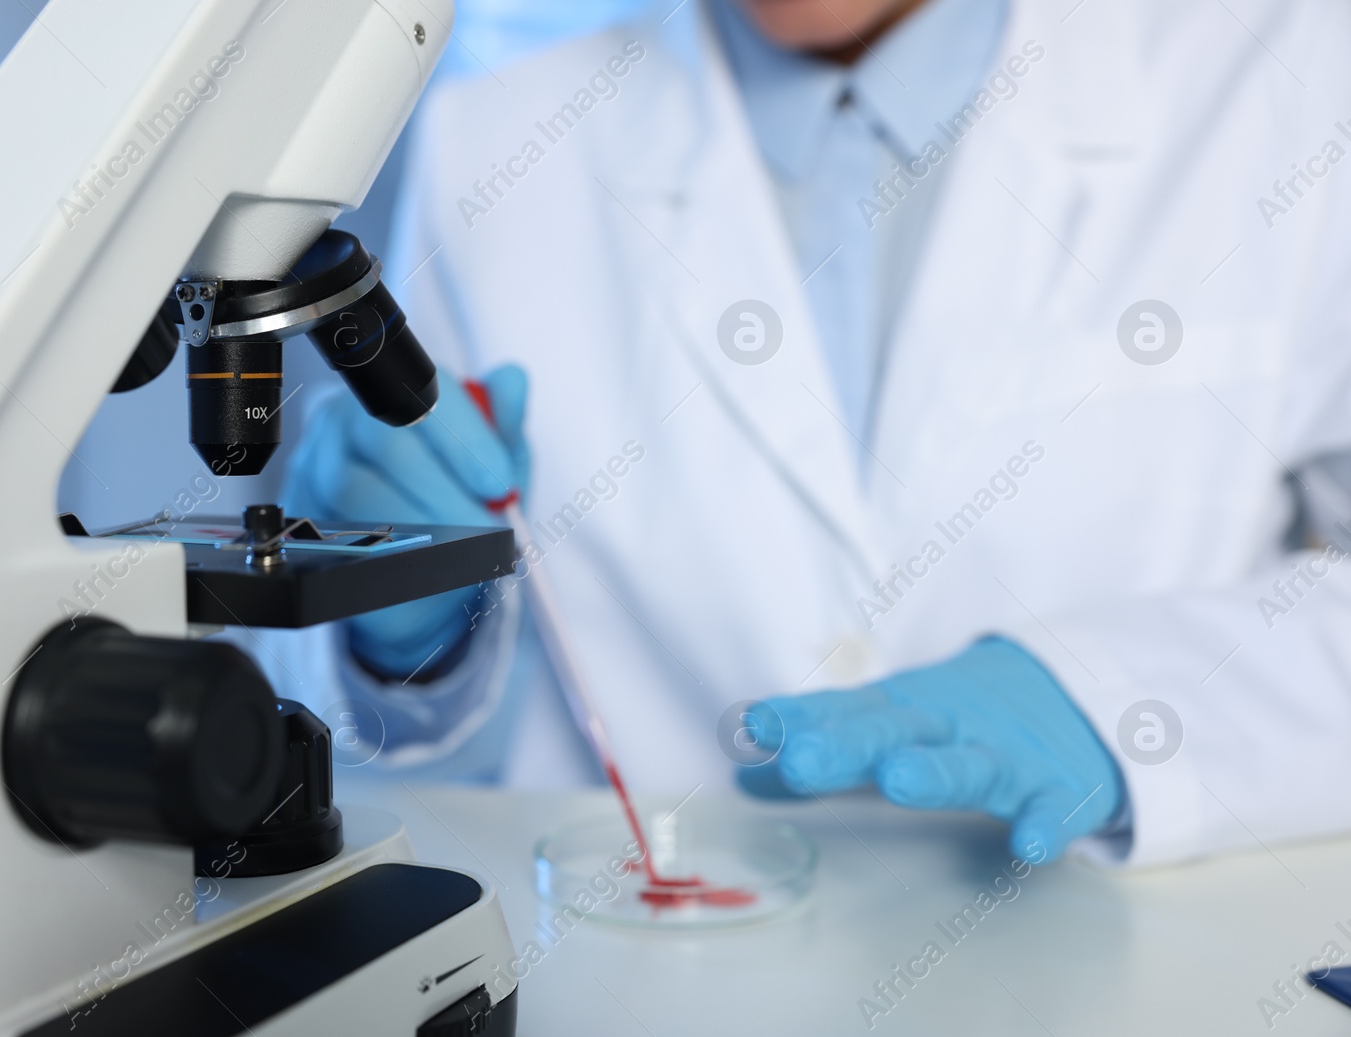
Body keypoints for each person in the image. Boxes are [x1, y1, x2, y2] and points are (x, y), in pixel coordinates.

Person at [284, 0, 1351, 867]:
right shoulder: (501, 138)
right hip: (656, 993)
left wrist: (1118, 698)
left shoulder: (1294, 80)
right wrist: (405, 643)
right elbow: (456, 733)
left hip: (1139, 981)